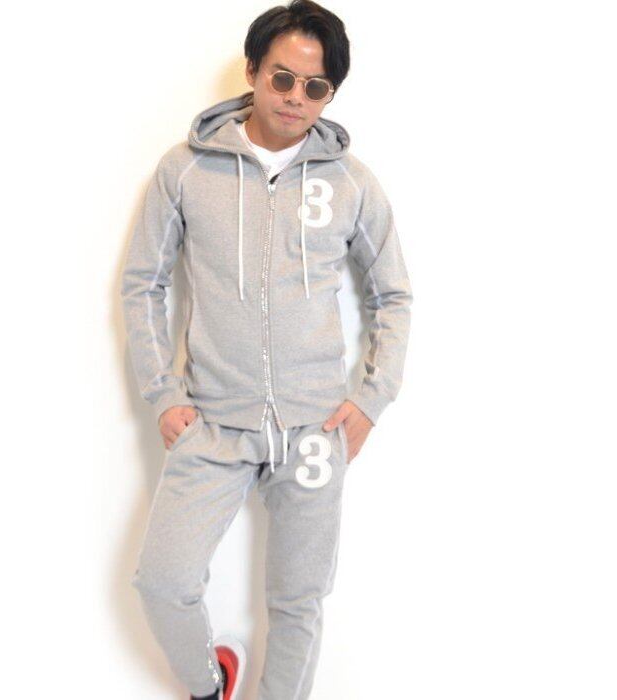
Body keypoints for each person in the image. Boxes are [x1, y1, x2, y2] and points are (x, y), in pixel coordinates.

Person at [120, 1, 413, 697]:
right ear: (252, 70)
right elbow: (143, 284)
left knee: (297, 601)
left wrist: (371, 399)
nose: (294, 98)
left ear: (329, 94)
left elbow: (393, 296)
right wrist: (163, 393)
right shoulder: (186, 170)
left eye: (315, 87)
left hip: (314, 429)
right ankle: (208, 685)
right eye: (282, 78)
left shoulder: (351, 182)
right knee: (162, 581)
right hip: (213, 424)